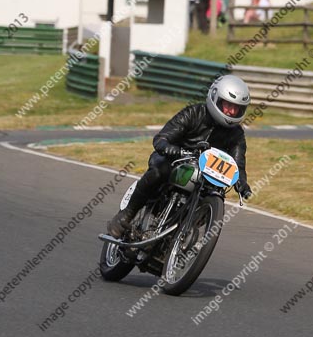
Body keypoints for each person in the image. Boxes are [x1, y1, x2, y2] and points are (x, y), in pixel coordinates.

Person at [107, 75, 252, 237]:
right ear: (215, 98)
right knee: (159, 171)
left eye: (237, 108)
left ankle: (182, 234)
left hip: (204, 174)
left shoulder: (237, 134)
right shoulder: (194, 113)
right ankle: (126, 214)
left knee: (217, 194)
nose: (232, 112)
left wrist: (242, 183)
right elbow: (162, 138)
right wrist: (171, 149)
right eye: (228, 105)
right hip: (175, 161)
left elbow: (237, 163)